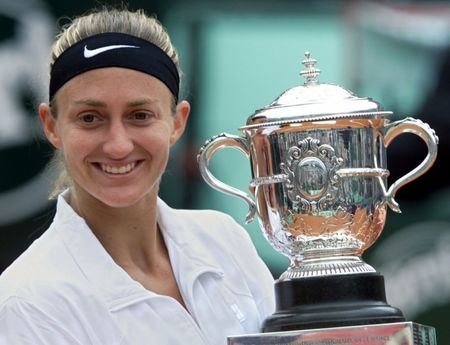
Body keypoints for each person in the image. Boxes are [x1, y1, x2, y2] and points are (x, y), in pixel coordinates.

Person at [0, 7, 275, 345]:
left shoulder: (225, 241)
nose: (117, 145)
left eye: (140, 115)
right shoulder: (26, 303)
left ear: (177, 122)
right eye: (90, 118)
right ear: (51, 126)